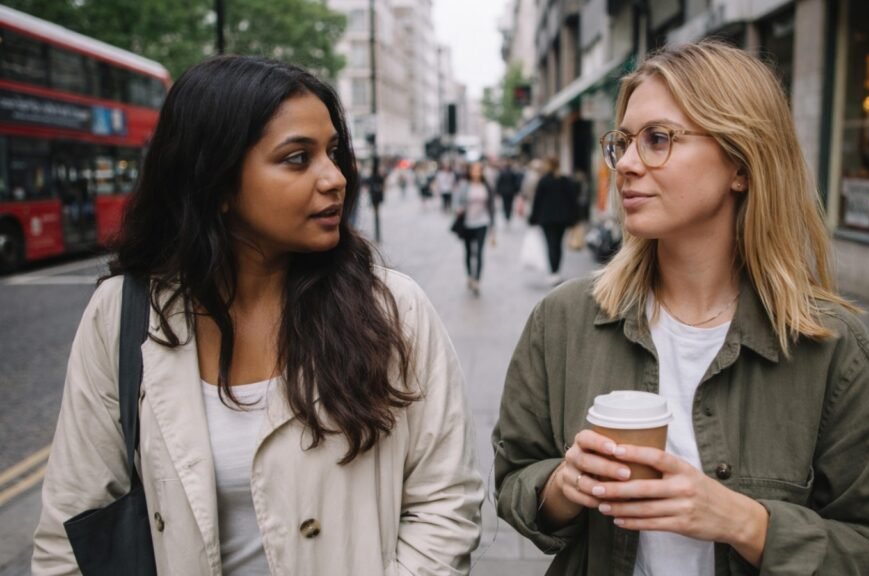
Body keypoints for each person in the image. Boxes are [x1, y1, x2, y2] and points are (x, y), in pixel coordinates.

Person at [33, 55, 483, 575]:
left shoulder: (393, 308)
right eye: (298, 158)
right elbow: (72, 524)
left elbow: (445, 502)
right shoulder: (121, 314)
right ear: (217, 181)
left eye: (333, 153)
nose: (334, 178)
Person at [492, 41, 869, 576]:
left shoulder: (832, 349)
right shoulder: (564, 319)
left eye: (658, 140)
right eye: (623, 142)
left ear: (740, 164)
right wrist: (563, 484)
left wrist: (745, 523)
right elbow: (514, 481)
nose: (626, 164)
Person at [529, 156, 578, 285]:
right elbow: (572, 200)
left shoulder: (544, 181)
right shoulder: (565, 180)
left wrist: (533, 218)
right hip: (562, 219)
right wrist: (574, 218)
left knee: (551, 244)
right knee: (558, 245)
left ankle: (553, 272)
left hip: (547, 219)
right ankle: (556, 271)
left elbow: (537, 201)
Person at [453, 161, 496, 296]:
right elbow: (457, 201)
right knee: (468, 251)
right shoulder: (464, 185)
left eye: (479, 170)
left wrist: (493, 226)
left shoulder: (486, 186)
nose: (477, 172)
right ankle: (469, 276)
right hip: (467, 223)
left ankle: (477, 280)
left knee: (479, 252)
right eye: (474, 170)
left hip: (482, 223)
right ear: (470, 171)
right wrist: (458, 209)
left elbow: (491, 207)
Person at [495, 159, 523, 226]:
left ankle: (507, 215)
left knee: (505, 204)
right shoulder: (512, 173)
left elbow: (499, 183)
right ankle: (508, 215)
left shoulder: (503, 173)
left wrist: (498, 191)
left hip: (505, 192)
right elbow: (516, 183)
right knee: (509, 204)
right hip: (510, 192)